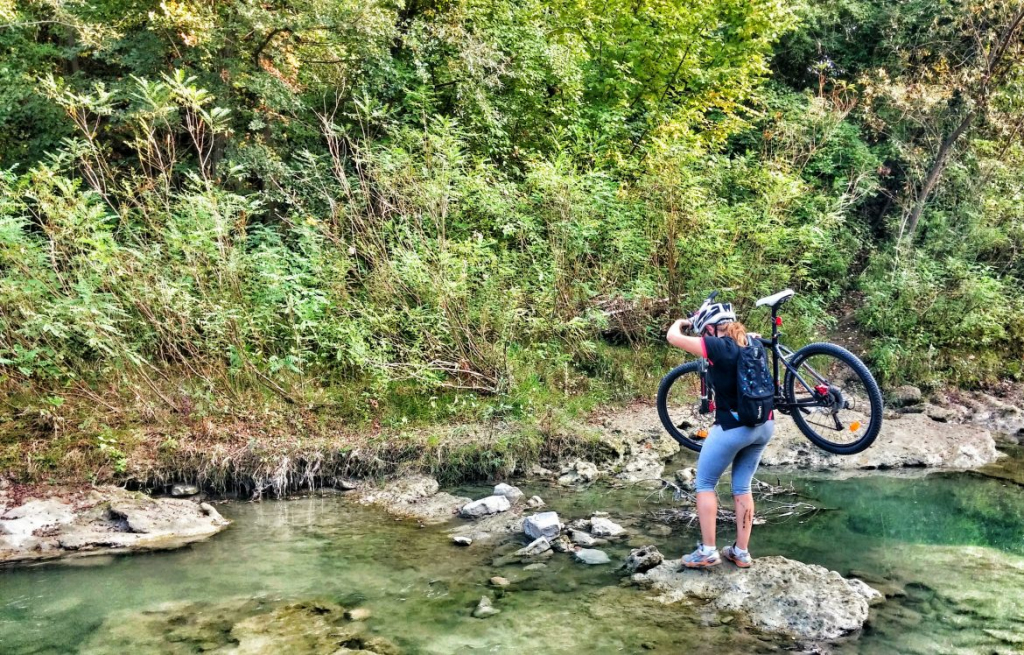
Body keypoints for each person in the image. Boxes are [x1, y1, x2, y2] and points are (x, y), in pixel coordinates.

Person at [665, 300, 775, 569]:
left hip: (733, 427)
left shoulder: (718, 346)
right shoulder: (751, 341)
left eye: (704, 332)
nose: (703, 337)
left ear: (712, 329)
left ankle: (708, 551)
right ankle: (741, 552)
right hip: (764, 425)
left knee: (704, 484)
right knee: (742, 487)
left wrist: (682, 324)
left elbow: (672, 338)